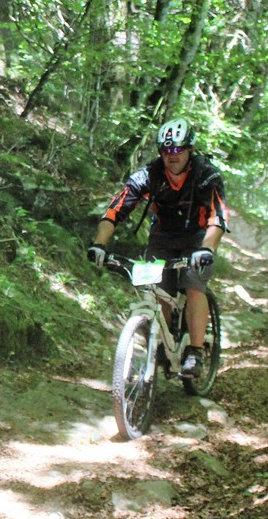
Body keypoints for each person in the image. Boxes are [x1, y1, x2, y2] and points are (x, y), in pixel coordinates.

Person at [87, 118, 228, 379]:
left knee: (193, 284)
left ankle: (195, 352)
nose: (172, 155)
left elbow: (217, 218)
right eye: (166, 150)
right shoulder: (149, 175)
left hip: (198, 238)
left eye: (178, 149)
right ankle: (162, 342)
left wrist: (207, 249)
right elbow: (115, 210)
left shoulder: (206, 175)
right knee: (156, 288)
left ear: (190, 150)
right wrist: (99, 244)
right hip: (162, 237)